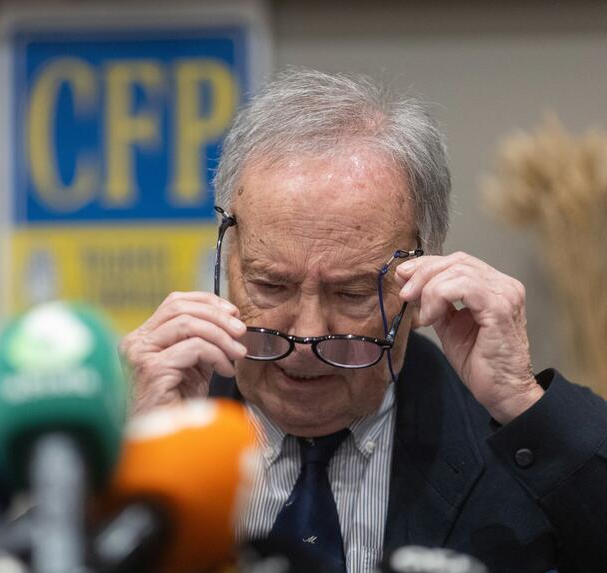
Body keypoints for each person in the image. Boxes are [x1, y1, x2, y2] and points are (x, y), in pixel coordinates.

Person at [119, 69, 607, 573]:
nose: (307, 334)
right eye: (272, 285)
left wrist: (521, 401)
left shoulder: (523, 448)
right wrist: (126, 462)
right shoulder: (144, 430)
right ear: (229, 258)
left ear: (424, 275)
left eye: (350, 293)